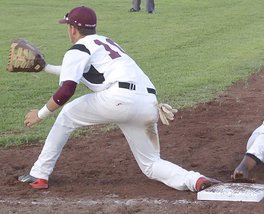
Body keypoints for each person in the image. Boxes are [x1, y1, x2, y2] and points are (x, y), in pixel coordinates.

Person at [18, 5, 218, 192]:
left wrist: (40, 114)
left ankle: (40, 174)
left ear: (73, 29)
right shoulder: (106, 42)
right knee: (151, 164)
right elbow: (83, 72)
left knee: (68, 113)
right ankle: (194, 179)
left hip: (119, 99)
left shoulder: (78, 49)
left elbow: (68, 88)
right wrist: (45, 68)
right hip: (149, 103)